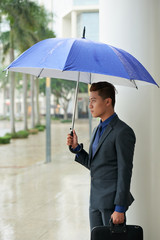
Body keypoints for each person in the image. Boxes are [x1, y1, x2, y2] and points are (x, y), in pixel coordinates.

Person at [67, 81, 136, 231]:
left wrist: (120, 208)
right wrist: (77, 149)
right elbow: (95, 165)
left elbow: (125, 171)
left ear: (107, 102)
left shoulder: (123, 131)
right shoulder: (97, 130)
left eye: (93, 100)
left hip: (112, 205)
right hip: (95, 202)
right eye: (89, 101)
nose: (89, 105)